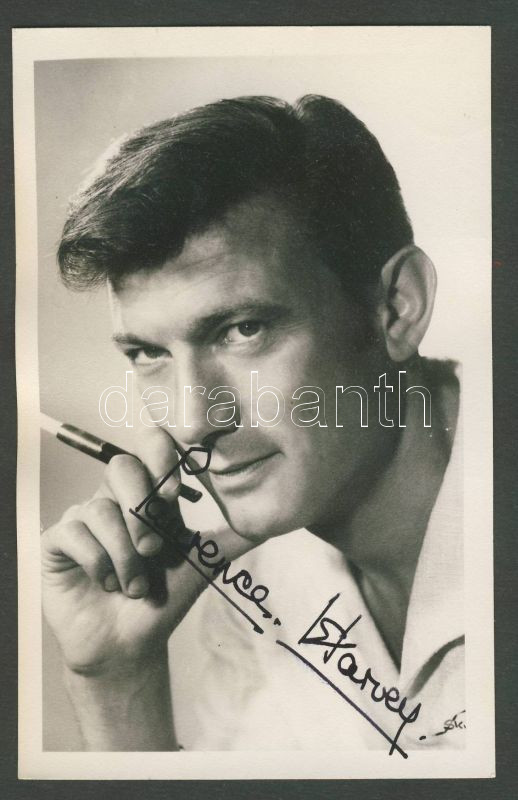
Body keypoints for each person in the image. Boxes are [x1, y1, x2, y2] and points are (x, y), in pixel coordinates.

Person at [41, 95, 463, 753]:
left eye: (243, 330)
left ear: (396, 307)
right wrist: (117, 680)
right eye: (148, 353)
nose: (191, 421)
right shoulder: (256, 580)